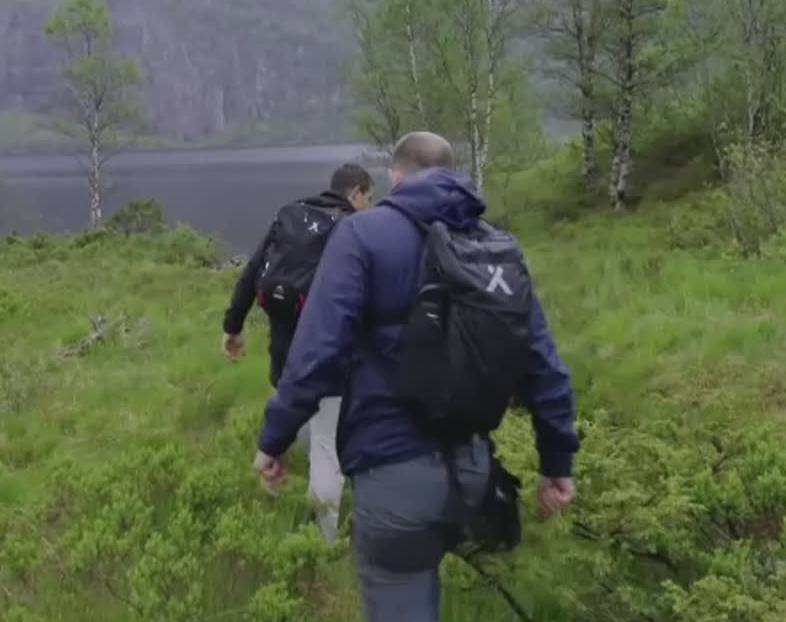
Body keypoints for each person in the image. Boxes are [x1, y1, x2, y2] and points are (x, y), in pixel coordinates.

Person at [253, 132, 580, 621]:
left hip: (393, 477)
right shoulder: (495, 244)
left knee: (402, 589)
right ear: (452, 172)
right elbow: (544, 365)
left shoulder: (362, 235)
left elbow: (317, 350)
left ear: (395, 176)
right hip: (475, 473)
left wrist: (275, 439)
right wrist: (557, 462)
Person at [223, 162, 374, 543]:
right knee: (326, 448)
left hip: (285, 357)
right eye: (370, 197)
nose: (371, 206)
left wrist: (233, 327)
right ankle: (322, 543)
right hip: (329, 360)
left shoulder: (290, 214)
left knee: (302, 432)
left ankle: (280, 492)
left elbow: (252, 271)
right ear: (355, 193)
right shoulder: (353, 228)